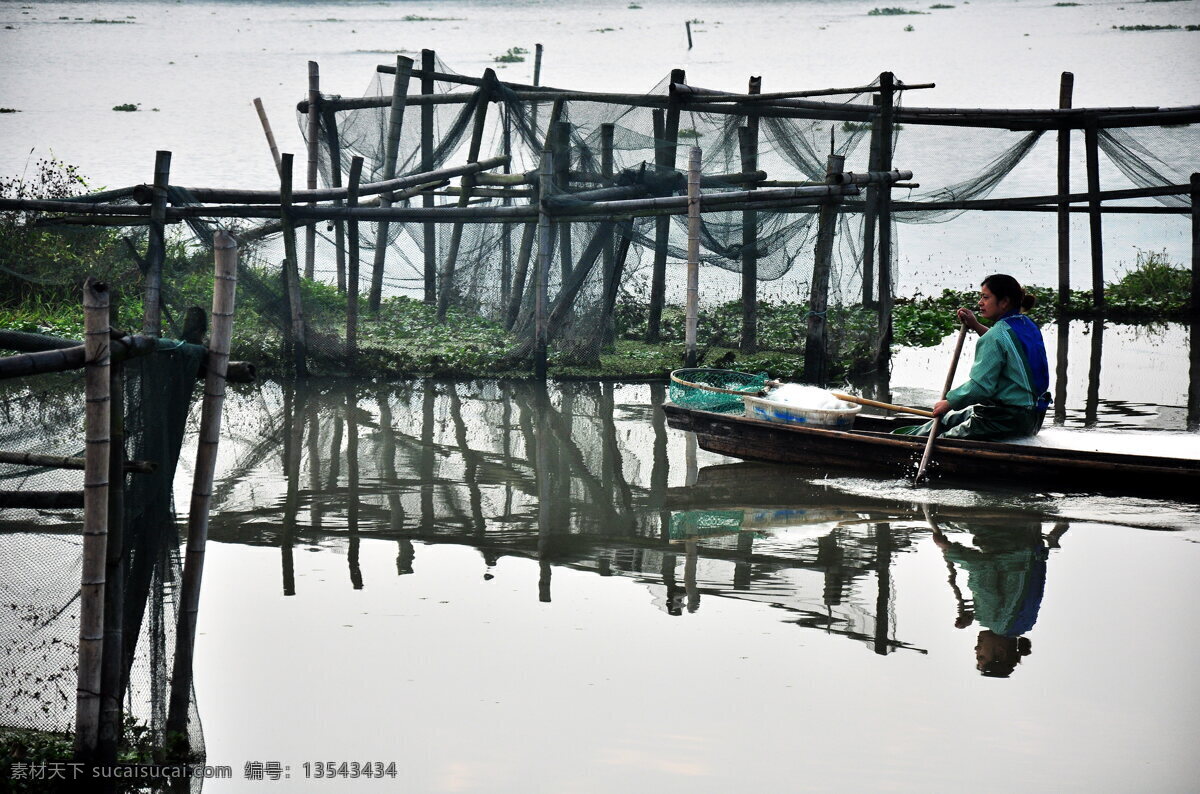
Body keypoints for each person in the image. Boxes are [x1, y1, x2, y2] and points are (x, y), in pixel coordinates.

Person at [895, 273, 1051, 441]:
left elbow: (981, 388)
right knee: (948, 420)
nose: (980, 302)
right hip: (1032, 416)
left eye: (985, 297)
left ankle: (901, 446)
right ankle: (900, 438)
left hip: (1008, 419)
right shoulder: (1026, 324)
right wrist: (976, 326)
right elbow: (1005, 346)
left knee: (943, 439)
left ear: (1004, 302)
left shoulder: (997, 335)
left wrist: (949, 403)